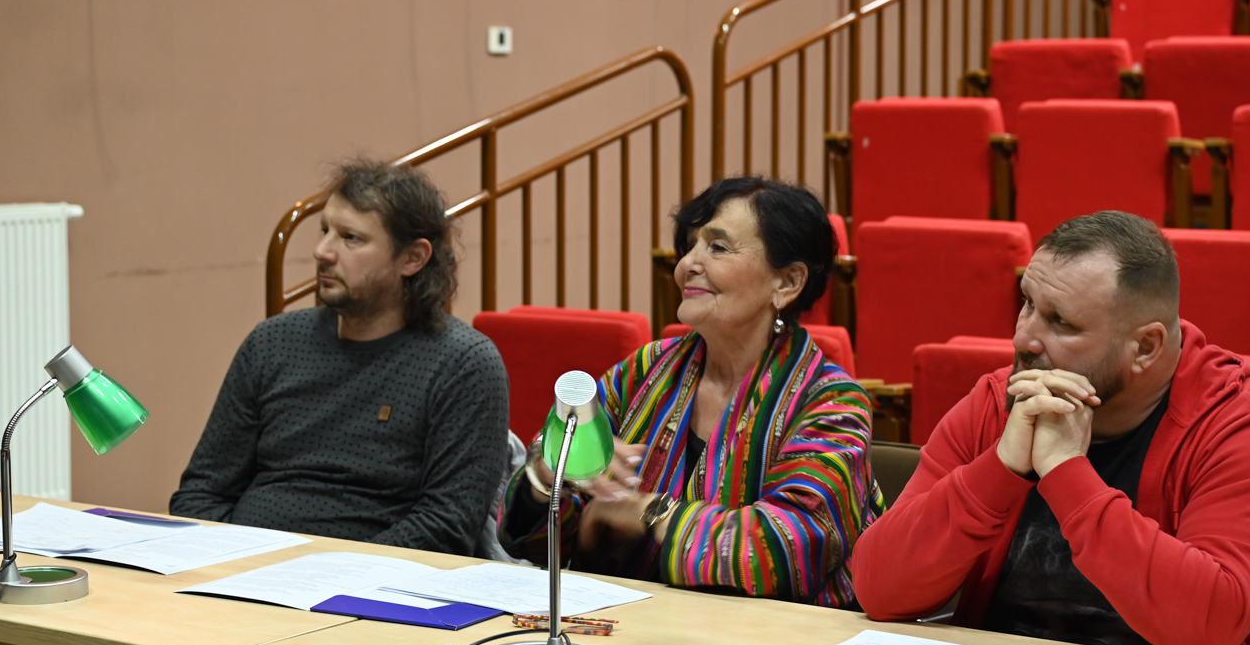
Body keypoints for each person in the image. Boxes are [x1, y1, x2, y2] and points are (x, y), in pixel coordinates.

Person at [853, 211, 1250, 645]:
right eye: (1027, 304)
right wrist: (1000, 468)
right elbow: (878, 589)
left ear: (1145, 348)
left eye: (1061, 322)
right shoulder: (1000, 403)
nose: (1023, 337)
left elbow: (1205, 632)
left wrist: (1065, 472)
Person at [498, 176, 883, 607]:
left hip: (772, 638)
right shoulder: (645, 370)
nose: (687, 265)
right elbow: (533, 539)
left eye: (717, 247)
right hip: (626, 621)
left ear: (787, 283)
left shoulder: (829, 401)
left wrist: (651, 513)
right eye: (690, 246)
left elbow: (791, 547)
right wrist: (547, 477)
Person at [170, 159, 510, 555]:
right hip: (241, 570)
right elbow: (201, 493)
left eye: (350, 238)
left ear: (413, 258)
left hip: (378, 581)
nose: (322, 251)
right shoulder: (272, 342)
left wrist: (326, 571)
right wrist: (232, 562)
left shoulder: (462, 363)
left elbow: (446, 525)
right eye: (324, 230)